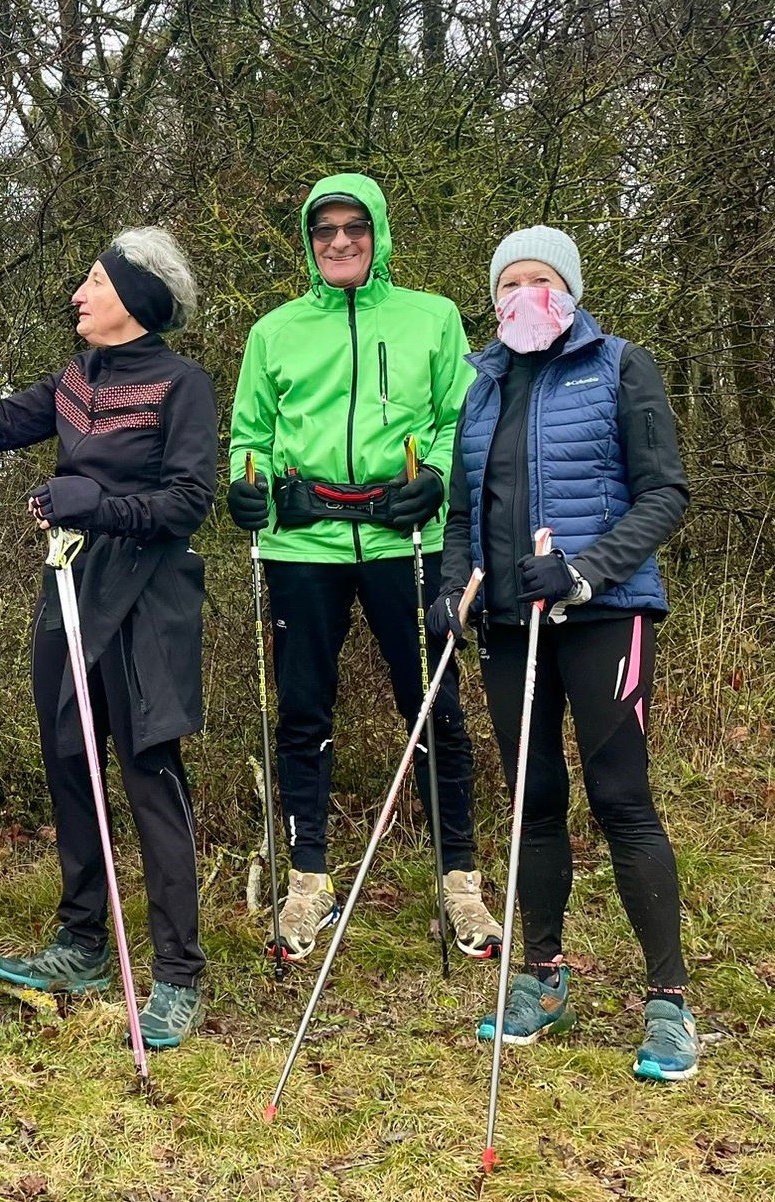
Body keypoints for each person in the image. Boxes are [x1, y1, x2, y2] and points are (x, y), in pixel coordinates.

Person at [0, 227, 216, 1048]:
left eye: (94, 282)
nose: (78, 294)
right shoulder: (72, 381)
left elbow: (188, 502)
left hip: (148, 603)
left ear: (133, 300)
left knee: (149, 776)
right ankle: (83, 942)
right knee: (72, 767)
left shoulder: (180, 383)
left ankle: (178, 973)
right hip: (69, 594)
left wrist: (91, 503)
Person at [427, 226, 696, 1080]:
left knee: (622, 799)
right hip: (512, 625)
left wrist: (584, 570)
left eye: (541, 280)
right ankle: (541, 976)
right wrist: (454, 586)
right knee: (533, 799)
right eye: (511, 283)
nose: (524, 296)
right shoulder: (482, 385)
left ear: (571, 291)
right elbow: (466, 513)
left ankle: (669, 1003)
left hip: (603, 615)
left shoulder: (621, 365)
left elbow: (665, 494)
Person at [227, 173, 505, 962]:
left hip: (403, 538)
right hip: (303, 541)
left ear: (379, 233)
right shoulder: (274, 331)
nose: (341, 241)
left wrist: (441, 478)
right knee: (303, 713)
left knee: (434, 711)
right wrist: (246, 491)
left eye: (355, 228)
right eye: (326, 231)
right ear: (309, 243)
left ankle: (461, 884)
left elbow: (461, 419)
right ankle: (307, 882)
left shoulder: (432, 318)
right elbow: (250, 431)